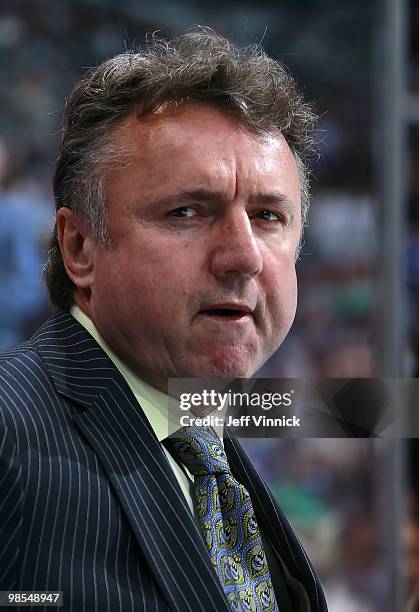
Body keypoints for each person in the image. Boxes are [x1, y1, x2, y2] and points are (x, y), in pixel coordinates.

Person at [0, 30, 327, 611]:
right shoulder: (10, 427)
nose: (245, 255)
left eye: (269, 216)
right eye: (186, 212)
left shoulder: (208, 442)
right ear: (79, 247)